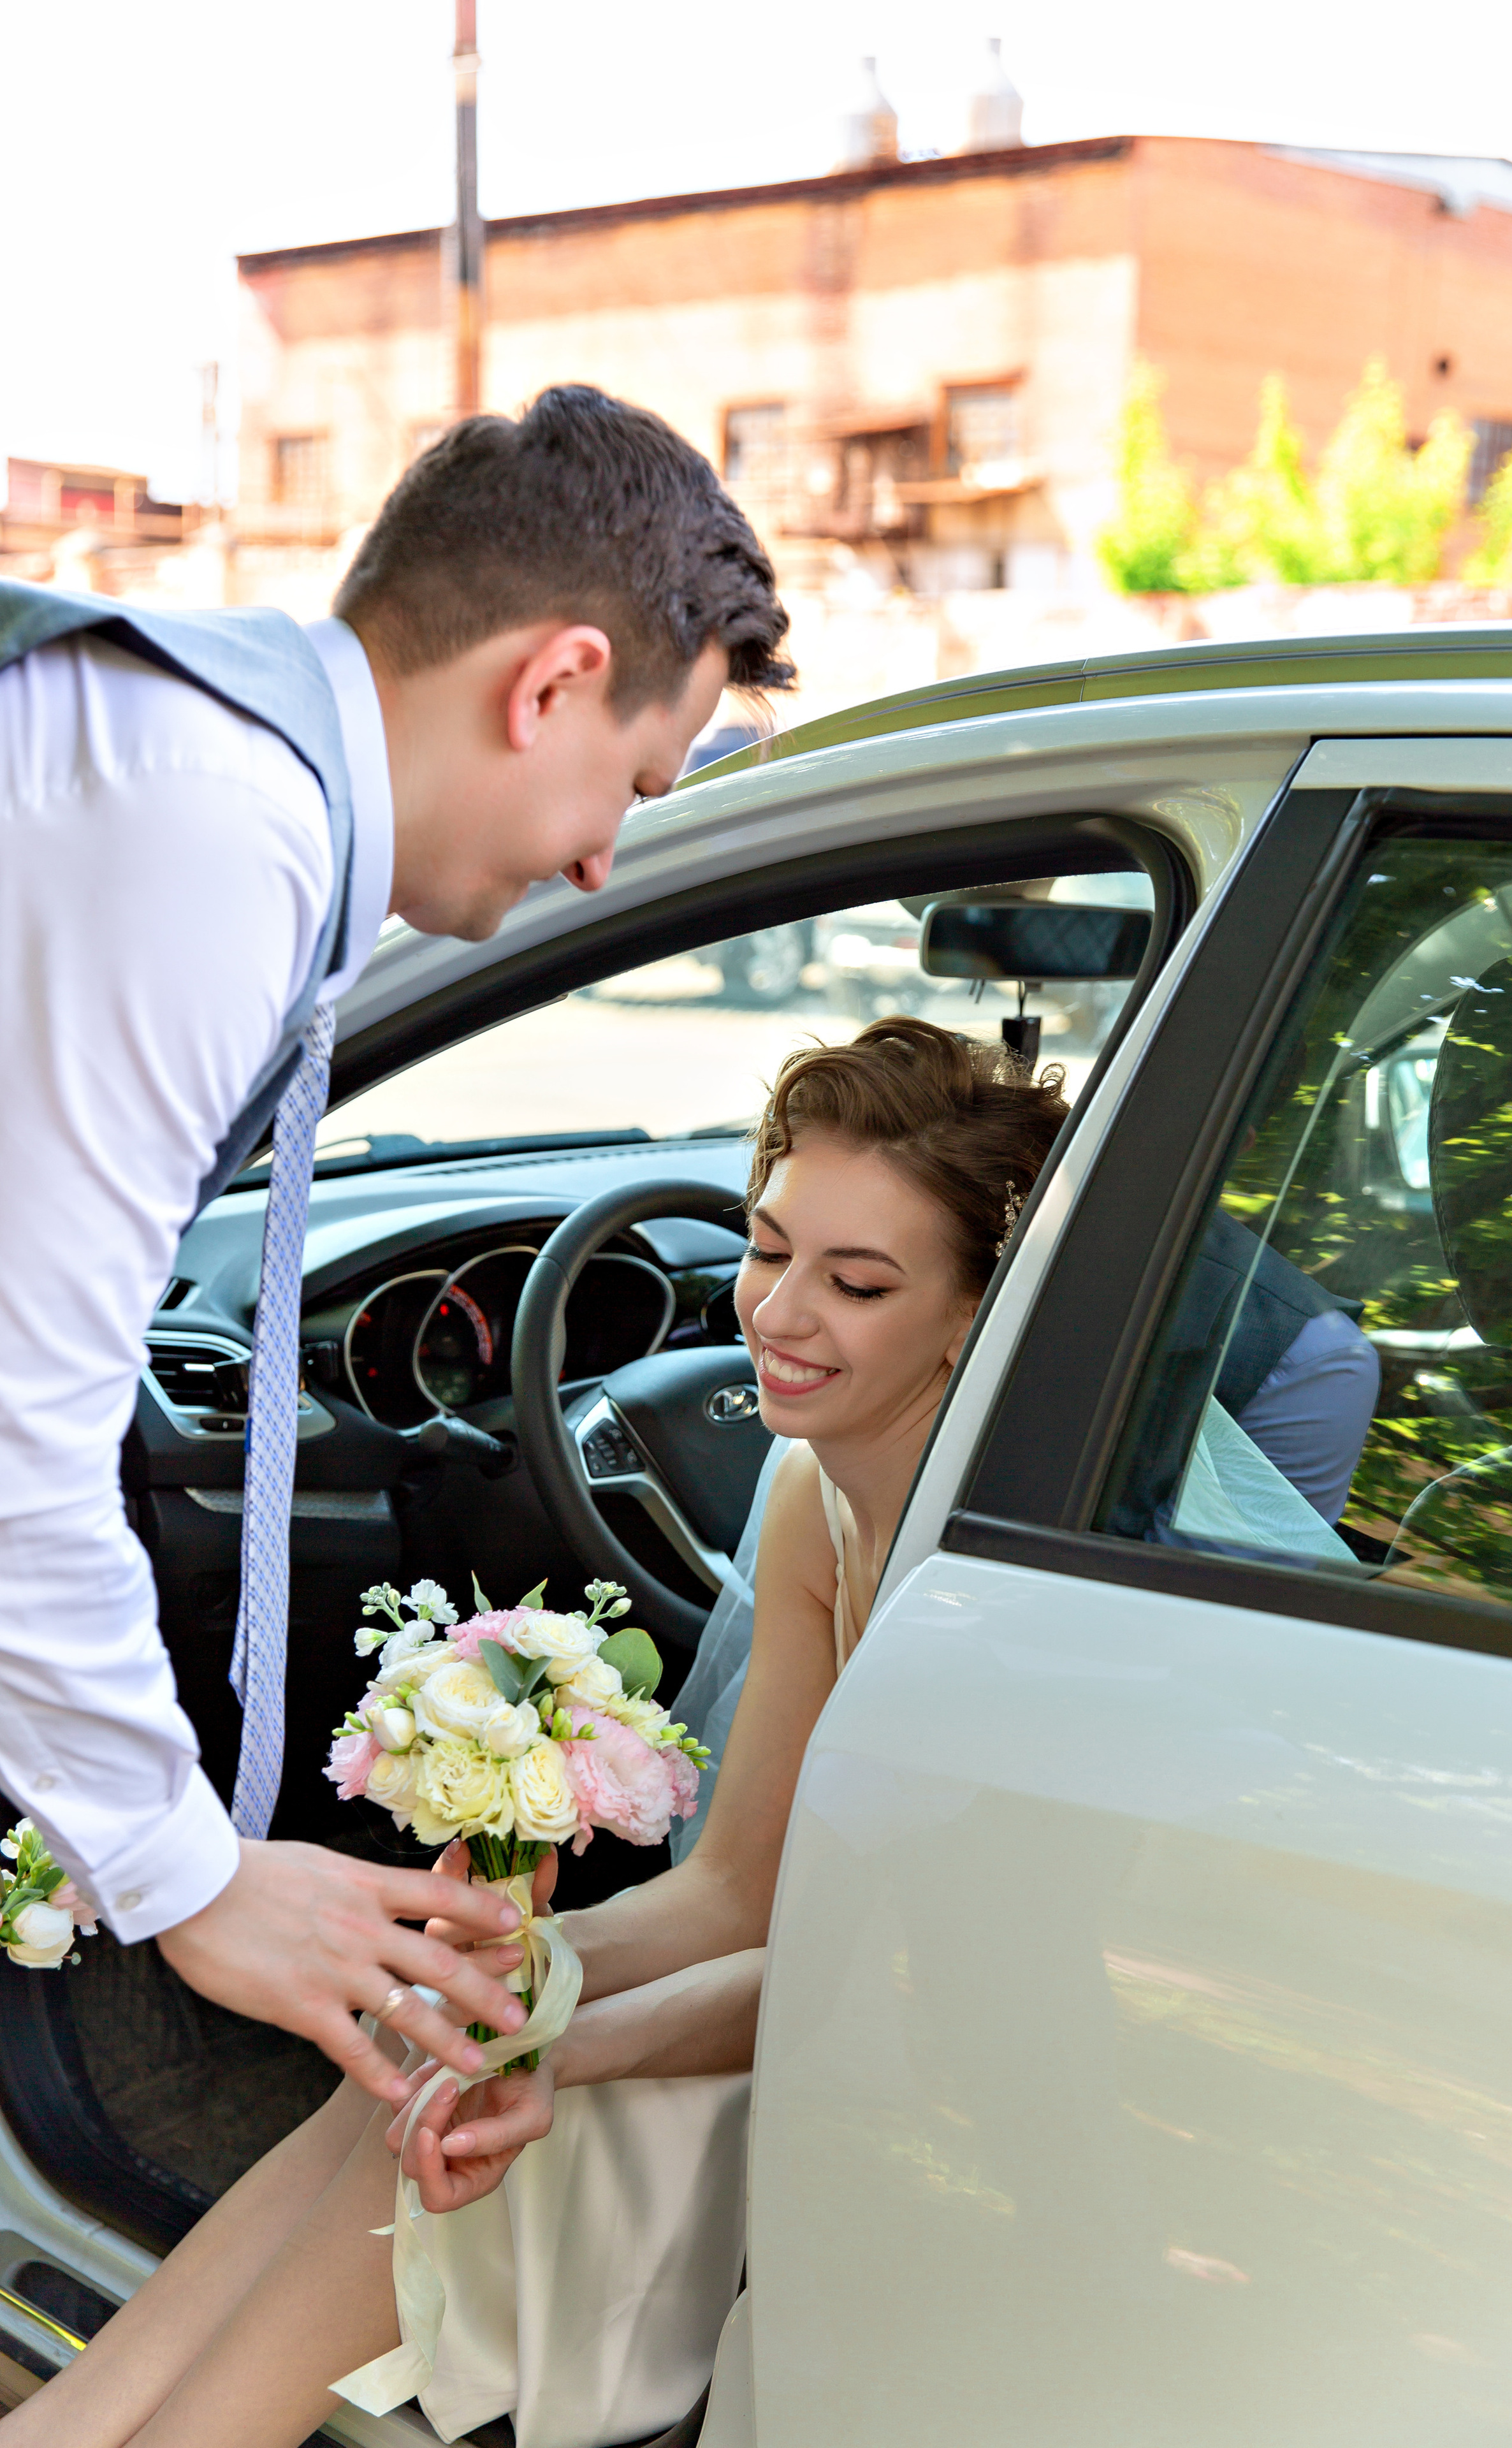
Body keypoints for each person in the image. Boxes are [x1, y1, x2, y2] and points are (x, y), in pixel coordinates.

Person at [10, 1017, 1068, 2448]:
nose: (778, 1313)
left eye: (858, 1282)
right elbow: (739, 1890)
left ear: (973, 1312)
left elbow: (863, 1980)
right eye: (765, 1252)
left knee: (468, 2083)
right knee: (431, 2041)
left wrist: (560, 2041)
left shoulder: (996, 1583)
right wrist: (500, 1972)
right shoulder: (805, 1492)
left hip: (955, 2074)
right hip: (822, 2002)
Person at [0, 385, 792, 2105]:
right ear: (553, 681)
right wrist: (181, 1871)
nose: (602, 863)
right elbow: (18, 1411)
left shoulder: (185, 759)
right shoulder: (218, 828)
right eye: (635, 784)